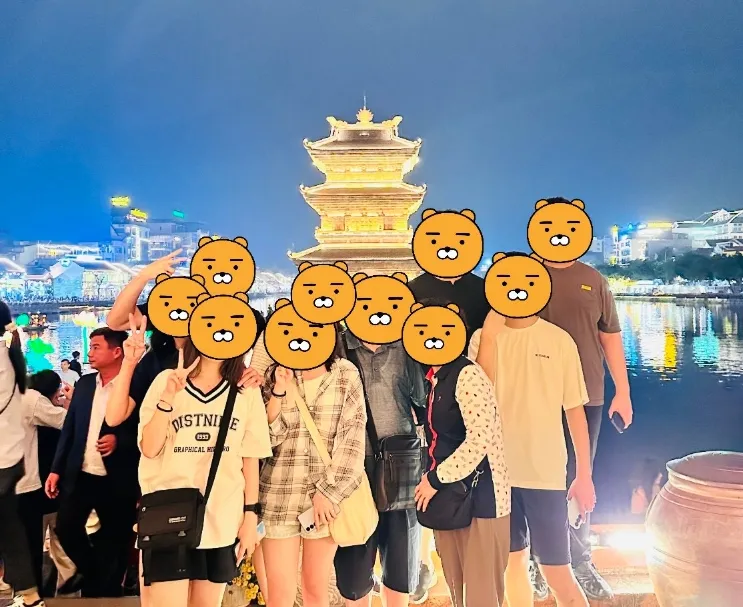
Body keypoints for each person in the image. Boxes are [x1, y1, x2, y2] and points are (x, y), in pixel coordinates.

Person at [536, 197, 632, 601]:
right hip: (535, 396)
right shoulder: (525, 276)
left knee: (581, 476)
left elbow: (610, 337)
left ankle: (580, 560)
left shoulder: (594, 279)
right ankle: (540, 559)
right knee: (538, 479)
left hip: (588, 393)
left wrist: (623, 392)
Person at [471, 311, 595, 607]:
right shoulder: (482, 337)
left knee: (558, 573)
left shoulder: (558, 340)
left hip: (546, 474)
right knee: (511, 566)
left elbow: (575, 410)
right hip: (496, 474)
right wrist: (488, 337)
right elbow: (477, 397)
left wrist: (584, 475)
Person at [138, 342, 272, 607]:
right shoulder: (167, 380)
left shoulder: (246, 389)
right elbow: (149, 449)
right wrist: (168, 397)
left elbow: (250, 456)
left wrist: (250, 516)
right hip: (168, 515)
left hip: (222, 516)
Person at [407, 300, 511, 607]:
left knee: (481, 595)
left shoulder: (467, 374)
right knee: (458, 589)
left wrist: (435, 479)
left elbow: (481, 439)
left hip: (481, 497)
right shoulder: (435, 378)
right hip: (451, 497)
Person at [260, 342, 367, 607]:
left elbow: (352, 440)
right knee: (279, 595)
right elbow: (267, 439)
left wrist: (328, 493)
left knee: (315, 589)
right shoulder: (277, 371)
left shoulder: (345, 373)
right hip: (279, 495)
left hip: (323, 502)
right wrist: (279, 390)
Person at [333, 329, 427, 607]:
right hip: (352, 467)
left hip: (402, 465)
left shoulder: (405, 344)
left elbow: (422, 398)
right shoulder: (339, 344)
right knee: (355, 575)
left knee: (400, 570)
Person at [45, 327, 140, 598]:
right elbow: (70, 428)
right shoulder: (86, 384)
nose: (90, 352)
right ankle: (91, 573)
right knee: (66, 528)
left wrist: (119, 440)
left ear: (117, 352)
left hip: (118, 476)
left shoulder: (135, 384)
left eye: (97, 347)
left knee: (115, 538)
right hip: (82, 472)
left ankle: (104, 592)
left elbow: (145, 428)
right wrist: (55, 469)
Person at [0, 301, 46, 607]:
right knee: (9, 527)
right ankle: (30, 596)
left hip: (3, 461)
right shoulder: (9, 357)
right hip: (9, 459)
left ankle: (29, 595)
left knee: (9, 528)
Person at [16, 371, 70, 596]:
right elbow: (69, 421)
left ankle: (29, 595)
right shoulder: (31, 400)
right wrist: (71, 402)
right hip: (34, 489)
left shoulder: (25, 399)